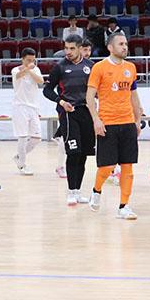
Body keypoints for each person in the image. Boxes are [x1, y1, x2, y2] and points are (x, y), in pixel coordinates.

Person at [86, 32, 143, 219]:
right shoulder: (99, 67)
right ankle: (96, 190)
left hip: (127, 122)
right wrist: (96, 119)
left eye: (126, 44)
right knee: (107, 167)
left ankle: (124, 206)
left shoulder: (131, 67)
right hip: (107, 123)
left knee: (128, 167)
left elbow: (133, 95)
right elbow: (89, 97)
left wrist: (137, 119)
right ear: (110, 47)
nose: (125, 47)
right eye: (120, 44)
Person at [43, 35, 95, 205]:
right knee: (73, 152)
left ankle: (78, 192)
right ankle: (71, 192)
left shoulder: (91, 66)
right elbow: (47, 90)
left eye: (72, 48)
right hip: (68, 113)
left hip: (86, 113)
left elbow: (97, 90)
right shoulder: (59, 67)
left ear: (80, 48)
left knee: (83, 154)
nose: (68, 51)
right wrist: (61, 102)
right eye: (66, 48)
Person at [11, 48, 43, 176]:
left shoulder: (35, 69)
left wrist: (30, 70)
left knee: (37, 138)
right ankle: (22, 165)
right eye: (28, 60)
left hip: (33, 107)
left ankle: (19, 157)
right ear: (22, 59)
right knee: (23, 137)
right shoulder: (15, 70)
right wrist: (27, 69)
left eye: (33, 60)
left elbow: (40, 81)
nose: (31, 62)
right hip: (20, 107)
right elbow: (18, 76)